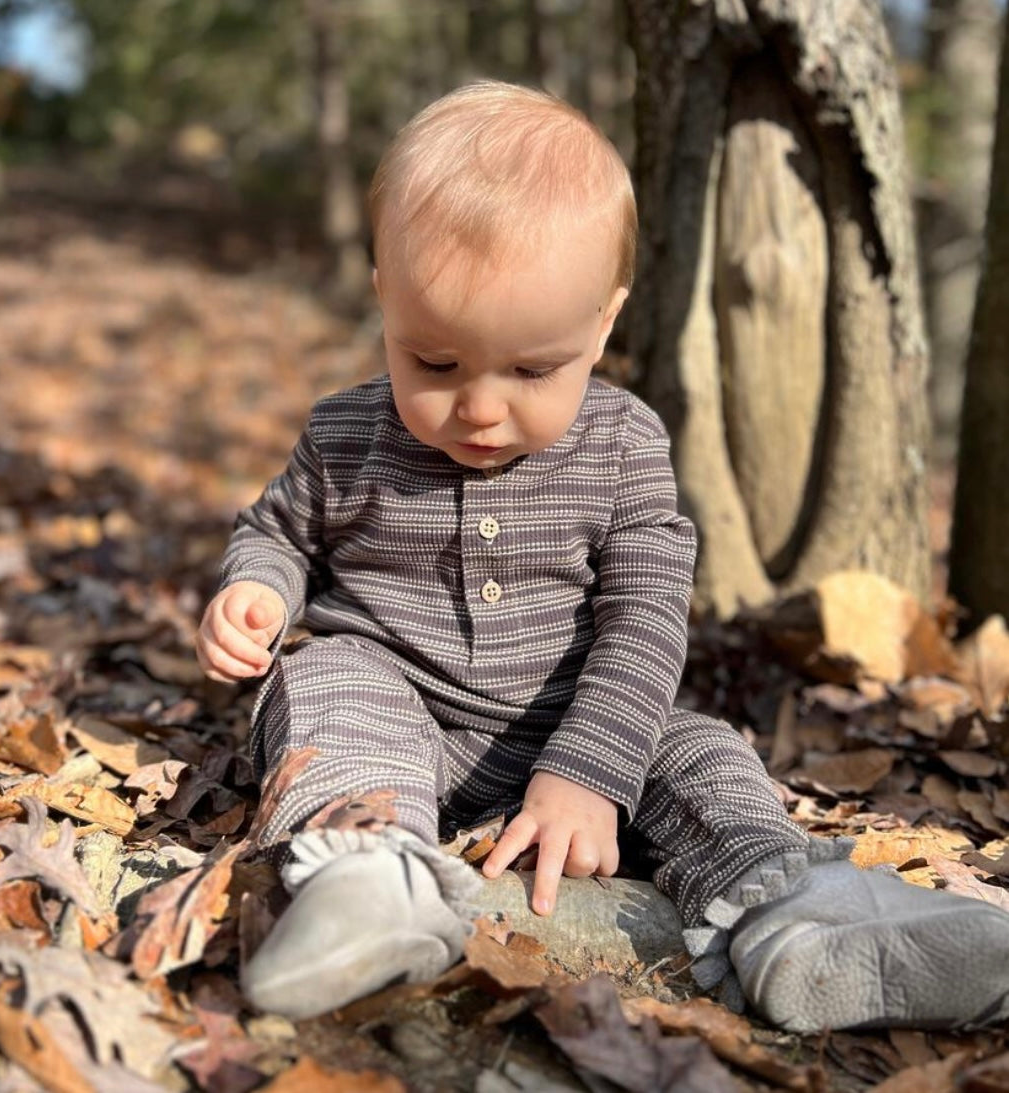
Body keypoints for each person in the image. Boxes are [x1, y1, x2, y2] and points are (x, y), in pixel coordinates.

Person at [196, 80, 1009, 1031]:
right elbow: (279, 529)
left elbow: (645, 618)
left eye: (533, 370)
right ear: (385, 296)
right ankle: (370, 878)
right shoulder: (345, 434)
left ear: (603, 322)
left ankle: (801, 916)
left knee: (701, 751)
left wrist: (586, 769)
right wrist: (257, 584)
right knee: (327, 678)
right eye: (435, 363)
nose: (482, 408)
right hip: (396, 709)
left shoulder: (624, 446)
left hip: (578, 731)